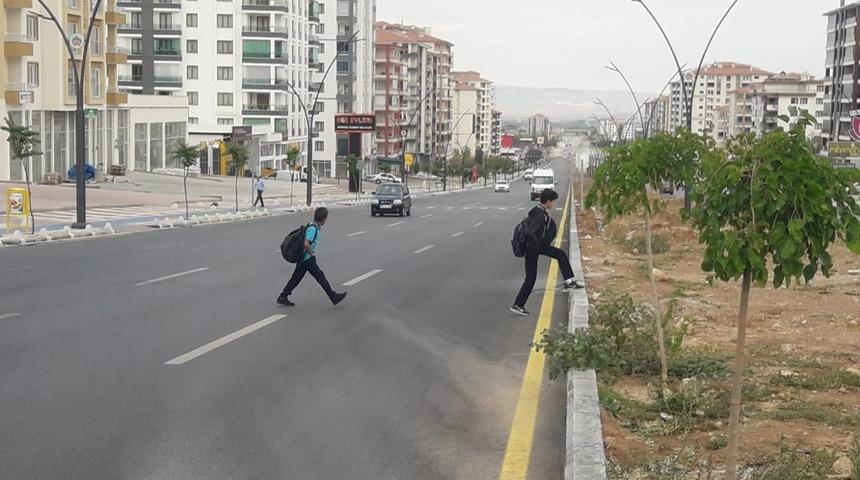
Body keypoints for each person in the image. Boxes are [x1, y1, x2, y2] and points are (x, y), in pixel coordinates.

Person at [511, 189, 584, 316]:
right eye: (554, 201)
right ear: (548, 201)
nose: (554, 203)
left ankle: (569, 281)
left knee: (560, 254)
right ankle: (518, 304)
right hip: (532, 249)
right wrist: (538, 246)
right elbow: (530, 232)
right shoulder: (538, 215)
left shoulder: (540, 212)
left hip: (536, 247)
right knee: (531, 278)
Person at [278, 207, 347, 307]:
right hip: (307, 259)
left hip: (303, 259)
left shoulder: (312, 226)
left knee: (295, 278)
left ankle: (283, 296)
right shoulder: (313, 229)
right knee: (320, 277)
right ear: (323, 219)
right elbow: (306, 244)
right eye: (326, 218)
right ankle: (333, 297)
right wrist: (311, 253)